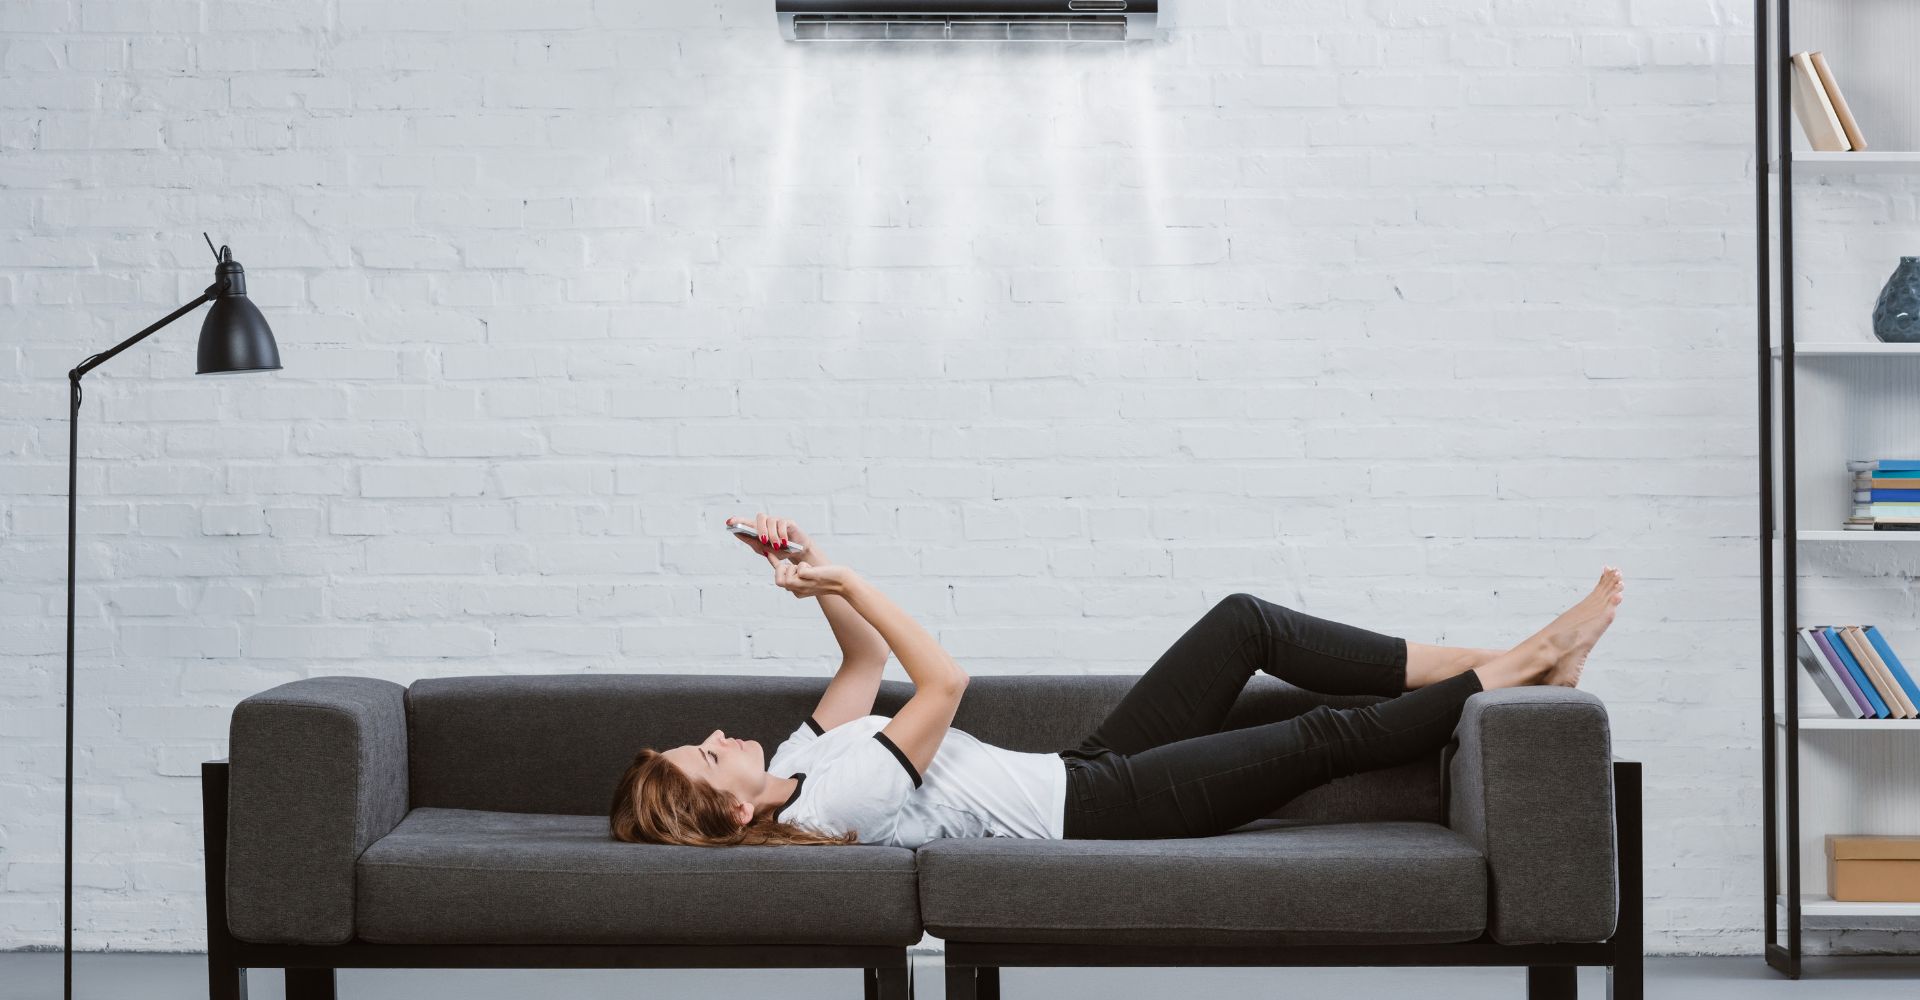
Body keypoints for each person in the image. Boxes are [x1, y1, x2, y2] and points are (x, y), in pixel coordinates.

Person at [609, 514, 1624, 848]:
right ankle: (1531, 665)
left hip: (1084, 767)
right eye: (707, 756)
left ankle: (1523, 652)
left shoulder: (794, 762)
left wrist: (808, 564)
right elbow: (942, 683)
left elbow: (865, 663)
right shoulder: (837, 803)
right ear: (733, 814)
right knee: (1320, 739)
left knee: (1244, 624)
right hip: (1107, 810)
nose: (716, 732)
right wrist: (857, 580)